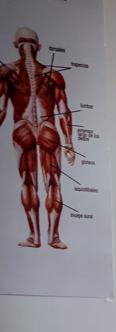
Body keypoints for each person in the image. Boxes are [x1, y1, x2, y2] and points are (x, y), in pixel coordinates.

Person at [0, 27, 77, 250]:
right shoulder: (52, 74)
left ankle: (35, 237)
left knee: (28, 181)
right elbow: (64, 111)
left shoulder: (7, 73)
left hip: (22, 126)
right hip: (47, 127)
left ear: (16, 45)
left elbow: (2, 110)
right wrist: (69, 142)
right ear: (39, 47)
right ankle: (53, 237)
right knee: (53, 182)